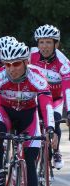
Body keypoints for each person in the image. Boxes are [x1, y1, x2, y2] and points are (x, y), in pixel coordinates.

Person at [0, 41, 55, 186]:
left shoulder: (37, 77)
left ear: (26, 62)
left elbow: (46, 104)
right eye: (7, 64)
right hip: (5, 115)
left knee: (31, 162)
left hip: (28, 117)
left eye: (16, 64)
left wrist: (50, 128)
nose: (11, 69)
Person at [30, 24, 70, 169]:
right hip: (35, 97)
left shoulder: (63, 62)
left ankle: (56, 150)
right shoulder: (30, 56)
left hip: (55, 99)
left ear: (56, 44)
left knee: (55, 119)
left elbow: (67, 88)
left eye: (48, 42)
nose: (44, 46)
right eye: (41, 42)